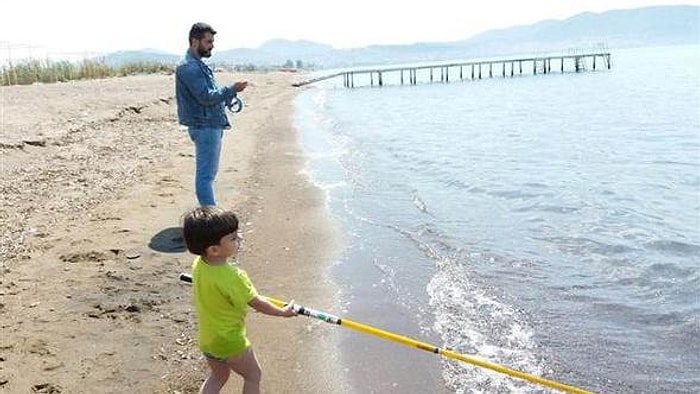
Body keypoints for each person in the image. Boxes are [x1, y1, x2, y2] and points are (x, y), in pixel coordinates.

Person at [182, 206, 296, 394]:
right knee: (253, 376)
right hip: (230, 341)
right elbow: (257, 303)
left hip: (208, 339)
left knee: (218, 376)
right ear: (214, 250)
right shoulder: (234, 277)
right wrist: (283, 312)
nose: (240, 239)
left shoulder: (199, 264)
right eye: (233, 238)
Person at [176, 22, 248, 207]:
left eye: (212, 41)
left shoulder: (197, 65)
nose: (212, 46)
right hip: (205, 126)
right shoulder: (189, 67)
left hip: (209, 124)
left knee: (208, 173)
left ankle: (210, 216)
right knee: (206, 175)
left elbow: (209, 97)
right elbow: (206, 97)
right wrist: (232, 88)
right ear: (195, 41)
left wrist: (229, 95)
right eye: (208, 41)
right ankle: (211, 220)